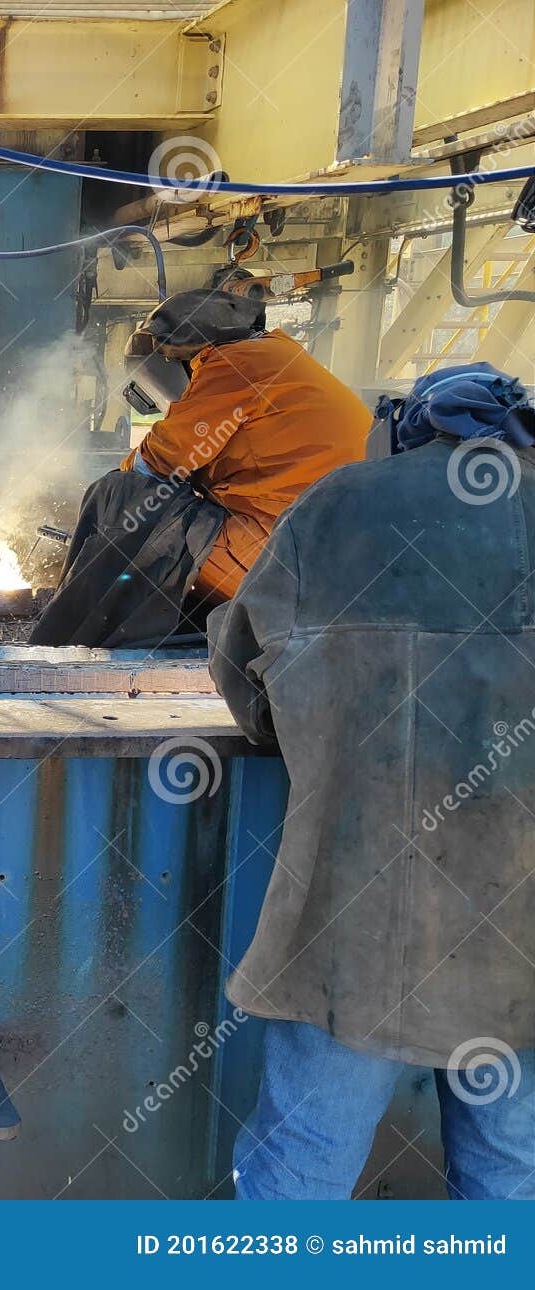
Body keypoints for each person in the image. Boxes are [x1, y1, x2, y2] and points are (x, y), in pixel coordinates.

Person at [208, 362, 535, 1200]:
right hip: (521, 927)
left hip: (359, 909)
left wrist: (322, 734)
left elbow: (245, 666)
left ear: (409, 427)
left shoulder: (339, 505)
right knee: (512, 1167)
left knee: (305, 1161)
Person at [121, 288, 370, 603]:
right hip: (346, 553)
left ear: (178, 360)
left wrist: (117, 487)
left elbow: (163, 457)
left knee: (144, 538)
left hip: (284, 557)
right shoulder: (278, 353)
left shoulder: (230, 365)